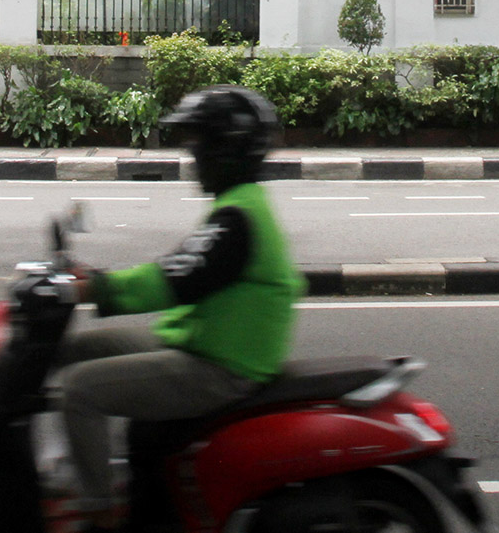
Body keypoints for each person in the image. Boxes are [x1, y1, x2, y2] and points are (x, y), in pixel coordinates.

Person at [50, 85, 307, 532]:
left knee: (79, 390)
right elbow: (178, 267)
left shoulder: (237, 218)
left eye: (198, 144)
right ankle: (69, 468)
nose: (193, 157)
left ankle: (95, 510)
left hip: (222, 365)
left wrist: (99, 289)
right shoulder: (238, 206)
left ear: (224, 149)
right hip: (196, 342)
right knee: (77, 350)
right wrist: (94, 281)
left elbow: (175, 277)